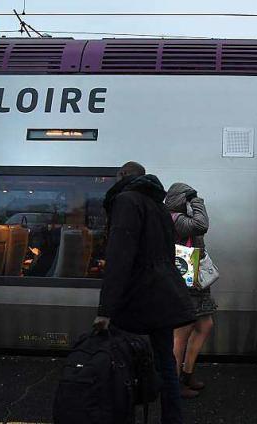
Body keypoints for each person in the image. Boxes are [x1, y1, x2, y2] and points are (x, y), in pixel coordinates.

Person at [94, 161, 195, 424]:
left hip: (135, 299)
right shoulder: (158, 206)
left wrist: (106, 310)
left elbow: (119, 256)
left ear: (124, 176)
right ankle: (172, 419)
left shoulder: (126, 201)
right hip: (163, 297)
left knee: (121, 365)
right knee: (165, 364)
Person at [165, 182, 217, 399]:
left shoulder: (181, 219)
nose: (192, 202)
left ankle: (187, 373)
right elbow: (201, 224)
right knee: (181, 334)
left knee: (205, 324)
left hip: (193, 279)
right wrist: (196, 200)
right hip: (183, 281)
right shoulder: (176, 219)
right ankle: (173, 384)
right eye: (188, 199)